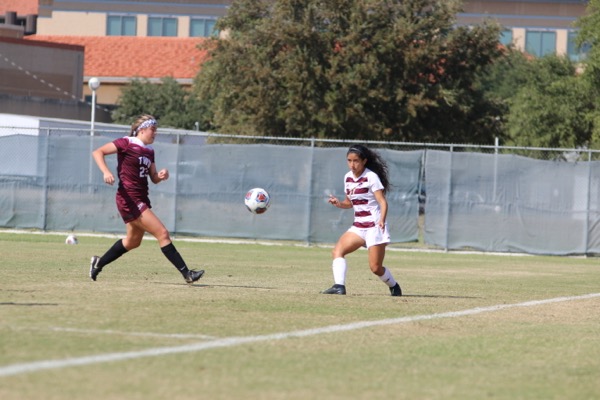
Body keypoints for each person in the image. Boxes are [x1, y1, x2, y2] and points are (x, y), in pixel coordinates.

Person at [89, 114, 204, 284]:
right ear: (142, 130)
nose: (155, 133)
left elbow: (154, 178)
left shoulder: (149, 152)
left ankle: (99, 263)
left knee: (133, 241)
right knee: (162, 233)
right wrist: (106, 171)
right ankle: (187, 274)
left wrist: (161, 176)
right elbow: (98, 152)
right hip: (129, 198)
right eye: (153, 129)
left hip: (140, 198)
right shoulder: (126, 142)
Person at [321, 144, 402, 296]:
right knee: (337, 251)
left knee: (375, 268)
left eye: (356, 161)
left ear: (364, 161)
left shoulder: (371, 177)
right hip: (358, 226)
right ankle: (339, 286)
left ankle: (394, 285)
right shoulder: (348, 178)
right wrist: (338, 203)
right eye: (349, 161)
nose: (352, 164)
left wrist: (382, 221)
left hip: (374, 226)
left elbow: (382, 202)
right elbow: (349, 203)